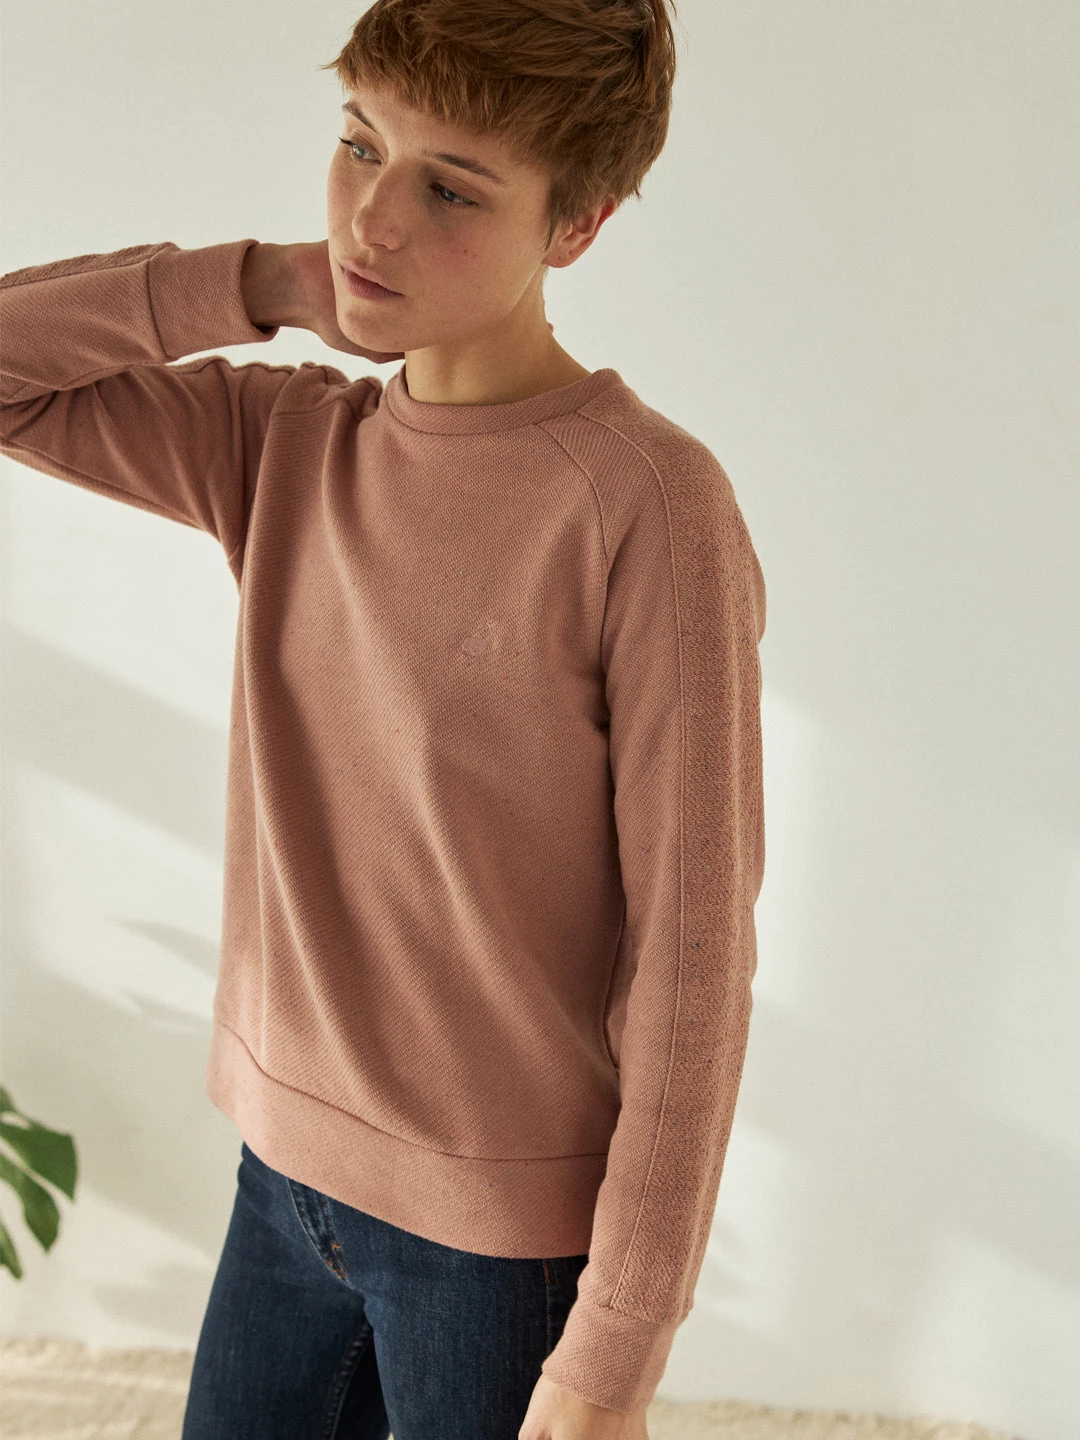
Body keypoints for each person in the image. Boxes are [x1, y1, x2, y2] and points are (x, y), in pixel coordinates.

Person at [0, 2, 766, 1436]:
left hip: (498, 1253)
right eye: (360, 146)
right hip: (280, 1183)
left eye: (452, 190)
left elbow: (694, 953)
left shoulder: (649, 508)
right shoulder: (286, 443)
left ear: (577, 226)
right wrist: (269, 281)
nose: (376, 218)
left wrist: (617, 1343)